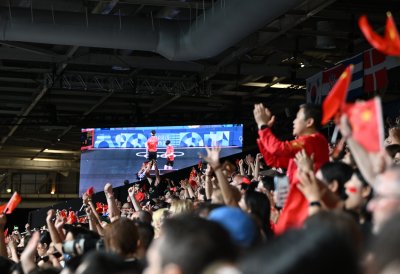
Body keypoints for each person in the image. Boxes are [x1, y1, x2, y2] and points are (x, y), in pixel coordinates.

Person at [253, 103, 329, 234]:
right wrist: (264, 131)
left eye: (297, 118)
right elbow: (273, 160)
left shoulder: (312, 140)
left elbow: (277, 148)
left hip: (306, 203)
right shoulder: (306, 145)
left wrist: (263, 127)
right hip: (299, 201)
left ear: (309, 122)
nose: (293, 121)